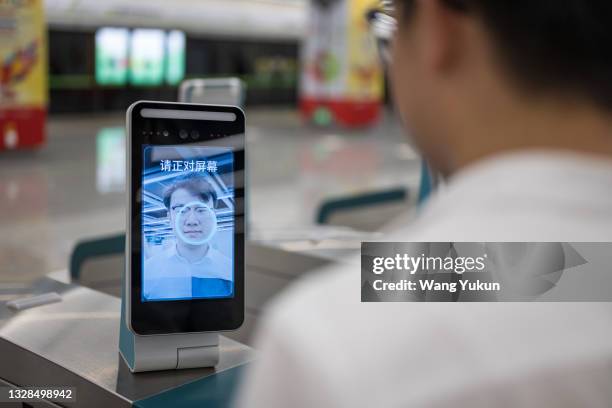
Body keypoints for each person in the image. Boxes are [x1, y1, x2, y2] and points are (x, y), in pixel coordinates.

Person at [236, 0, 612, 406]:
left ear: (437, 26)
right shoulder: (576, 262)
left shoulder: (333, 344)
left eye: (393, 25)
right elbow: (564, 270)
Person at [143, 175, 232, 300]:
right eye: (180, 209)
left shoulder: (230, 271)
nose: (192, 221)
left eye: (201, 209)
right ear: (169, 217)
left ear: (213, 216)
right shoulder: (147, 272)